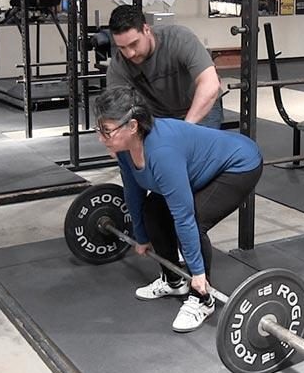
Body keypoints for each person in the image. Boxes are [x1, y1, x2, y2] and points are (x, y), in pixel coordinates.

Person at [94, 86, 263, 332]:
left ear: (132, 126)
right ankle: (173, 280)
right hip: (201, 167)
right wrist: (140, 237)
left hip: (239, 164)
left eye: (106, 131)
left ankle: (202, 298)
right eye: (100, 130)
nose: (101, 138)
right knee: (153, 208)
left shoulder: (162, 153)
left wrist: (197, 272)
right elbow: (134, 193)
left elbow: (184, 218)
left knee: (196, 219)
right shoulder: (123, 149)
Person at [106, 4, 224, 129]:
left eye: (134, 44)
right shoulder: (118, 66)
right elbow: (117, 110)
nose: (130, 53)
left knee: (198, 145)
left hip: (201, 105)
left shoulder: (179, 39)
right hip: (160, 115)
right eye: (122, 47)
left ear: (146, 30)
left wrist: (185, 128)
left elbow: (210, 84)